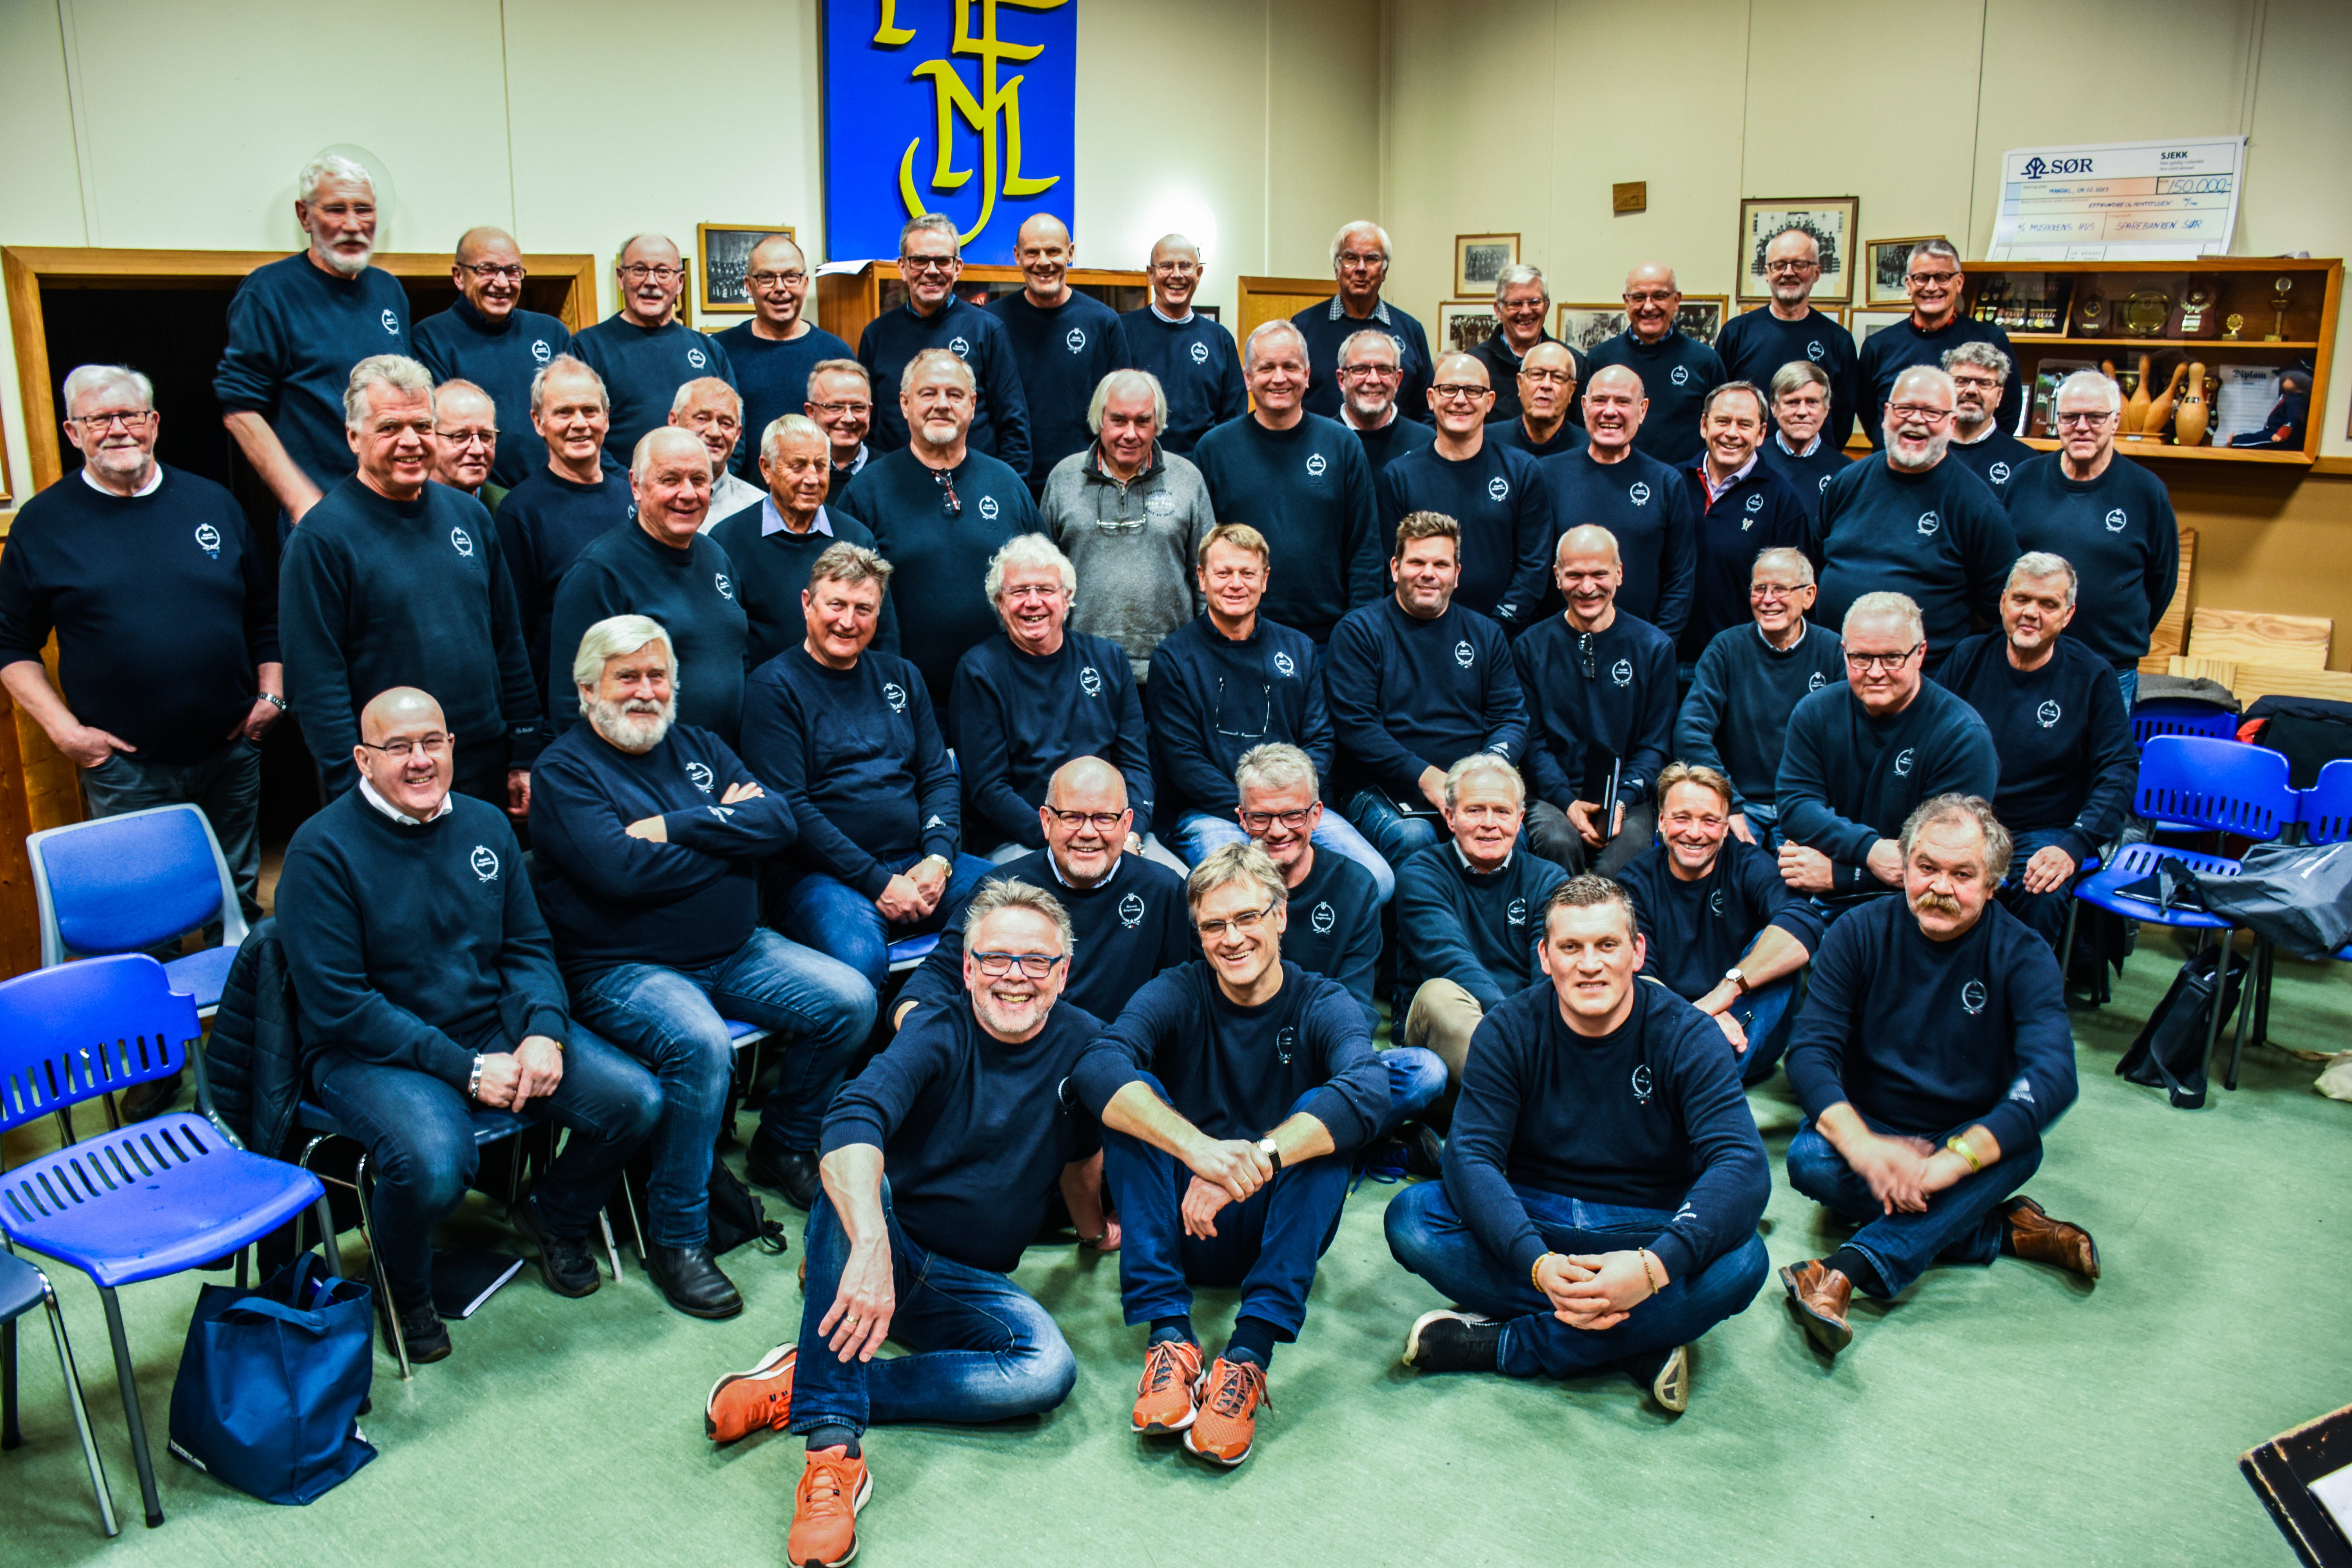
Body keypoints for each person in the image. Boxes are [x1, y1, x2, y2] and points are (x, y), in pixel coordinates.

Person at [277, 686, 658, 1364]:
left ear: (453, 746)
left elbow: (527, 948)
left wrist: (543, 1030)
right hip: (368, 1052)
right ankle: (403, 1288)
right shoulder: (320, 850)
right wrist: (467, 1070)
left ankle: (554, 1214)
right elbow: (342, 1004)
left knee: (634, 1101)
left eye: (433, 742)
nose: (420, 760)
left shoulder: (485, 825)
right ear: (364, 760)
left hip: (488, 1025)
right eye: (398, 747)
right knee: (434, 1164)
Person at [530, 616, 872, 1301]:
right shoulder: (564, 771)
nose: (646, 691)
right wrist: (728, 840)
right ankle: (677, 1236)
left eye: (658, 676)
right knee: (701, 1044)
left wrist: (672, 828)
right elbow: (620, 872)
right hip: (623, 967)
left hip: (737, 948)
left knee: (852, 1000)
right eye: (627, 677)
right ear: (588, 689)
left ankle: (784, 1142)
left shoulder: (701, 746)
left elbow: (778, 823)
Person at [762, 880, 1102, 1568]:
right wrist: (869, 1246)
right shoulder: (937, 1028)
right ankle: (832, 1448)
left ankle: (809, 1380)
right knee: (856, 1177)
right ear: (969, 968)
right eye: (996, 958)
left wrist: (1094, 1232)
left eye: (1036, 960)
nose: (1015, 975)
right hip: (885, 1252)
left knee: (1048, 1370)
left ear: (1063, 973)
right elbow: (853, 1118)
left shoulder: (1089, 1045)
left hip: (965, 1284)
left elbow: (1081, 1157)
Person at [1385, 876, 1770, 1413]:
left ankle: (1511, 1343)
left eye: (1607, 944)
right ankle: (1641, 1339)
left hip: (1643, 1227)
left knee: (1744, 1259)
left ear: (1637, 951)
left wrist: (1653, 1269)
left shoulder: (1688, 1035)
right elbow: (1471, 1157)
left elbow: (1742, 1164)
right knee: (1413, 1219)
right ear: (1546, 957)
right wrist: (1536, 1263)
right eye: (1571, 947)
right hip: (1534, 1215)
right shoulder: (1508, 1030)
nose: (1590, 964)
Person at [1074, 843, 1394, 1466]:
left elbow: (1369, 1088)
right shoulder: (1177, 990)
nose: (1233, 938)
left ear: (1281, 915)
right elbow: (1097, 1065)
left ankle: (1248, 1356)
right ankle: (1170, 1338)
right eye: (1214, 925)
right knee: (1133, 1097)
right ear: (1198, 933)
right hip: (1180, 1224)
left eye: (1248, 917)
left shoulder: (1322, 1001)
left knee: (1328, 1119)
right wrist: (1201, 1153)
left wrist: (1253, 1163)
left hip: (1276, 1230)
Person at [1779, 794, 2097, 1358]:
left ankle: (1843, 1270)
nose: (1940, 887)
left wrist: (1950, 1164)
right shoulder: (1856, 932)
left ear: (1993, 884)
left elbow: (2053, 1075)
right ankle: (2002, 1230)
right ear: (1905, 866)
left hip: (1962, 1137)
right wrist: (1865, 1148)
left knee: (2021, 1148)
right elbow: (1809, 1051)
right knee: (1810, 1161)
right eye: (1927, 867)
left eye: (1963, 875)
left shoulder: (2024, 955)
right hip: (1873, 1124)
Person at [0, 365, 281, 931]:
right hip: (125, 768)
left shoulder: (213, 503)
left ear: (153, 422)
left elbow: (267, 614)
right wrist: (67, 735)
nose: (118, 429)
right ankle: (160, 992)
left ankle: (241, 988)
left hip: (230, 753)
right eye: (98, 419)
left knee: (237, 905)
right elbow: (11, 646)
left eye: (130, 415)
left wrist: (271, 700)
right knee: (149, 919)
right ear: (72, 432)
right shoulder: (43, 525)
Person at [279, 356, 541, 807]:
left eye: (422, 426)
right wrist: (357, 794)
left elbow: (508, 644)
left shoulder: (471, 516)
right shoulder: (320, 540)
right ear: (353, 437)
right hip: (390, 779)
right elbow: (316, 687)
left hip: (485, 763)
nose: (410, 441)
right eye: (390, 427)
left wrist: (524, 752)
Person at [743, 542, 991, 1000]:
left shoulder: (902, 675)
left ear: (879, 614)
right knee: (860, 958)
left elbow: (938, 775)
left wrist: (938, 859)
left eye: (864, 609)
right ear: (807, 603)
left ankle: (950, 1031)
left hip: (916, 859)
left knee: (1017, 902)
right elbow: (792, 808)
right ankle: (885, 1045)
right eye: (836, 604)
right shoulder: (772, 688)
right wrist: (878, 883)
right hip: (819, 876)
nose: (848, 621)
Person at [1146, 526, 1390, 893]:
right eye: (1224, 573)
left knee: (1377, 880)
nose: (1236, 584)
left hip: (1296, 810)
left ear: (1265, 579)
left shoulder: (1299, 648)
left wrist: (1288, 810)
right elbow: (1184, 762)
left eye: (1248, 573)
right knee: (1243, 891)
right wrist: (1256, 813)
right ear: (1202, 578)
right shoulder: (1173, 658)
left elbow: (1320, 740)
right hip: (1212, 813)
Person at [1932, 555, 2136, 952]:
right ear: (2003, 602)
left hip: (2044, 829)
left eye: (2048, 604)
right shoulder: (1968, 657)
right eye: (2022, 599)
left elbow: (2120, 770)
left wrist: (2074, 845)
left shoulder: (2093, 676)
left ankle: (2020, 988)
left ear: (2068, 614)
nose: (2031, 613)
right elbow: (1929, 740)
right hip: (1966, 820)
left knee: (2042, 889)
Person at [894, 757, 1191, 1028]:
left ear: (1127, 824)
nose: (1088, 832)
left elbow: (1185, 997)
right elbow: (937, 976)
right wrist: (922, 1035)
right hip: (1020, 1058)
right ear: (1047, 821)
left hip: (1121, 1057)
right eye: (1072, 817)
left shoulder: (1163, 889)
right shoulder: (1001, 887)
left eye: (1104, 818)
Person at [216, 153, 411, 525]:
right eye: (336, 210)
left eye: (364, 210)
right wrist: (302, 502)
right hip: (325, 511)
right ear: (304, 216)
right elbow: (241, 411)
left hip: (397, 505)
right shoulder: (268, 292)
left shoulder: (389, 291)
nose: (353, 224)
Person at [1328, 513, 1528, 873]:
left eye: (1441, 564)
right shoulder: (1359, 631)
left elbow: (1511, 719)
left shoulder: (1486, 634)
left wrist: (1482, 776)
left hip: (1471, 790)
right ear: (1395, 568)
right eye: (1417, 563)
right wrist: (1427, 777)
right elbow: (1357, 727)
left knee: (1509, 834)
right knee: (1415, 839)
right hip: (1380, 789)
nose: (1428, 574)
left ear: (1457, 574)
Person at [842, 348, 1041, 710]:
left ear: (973, 405)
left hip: (1006, 696)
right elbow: (844, 603)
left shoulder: (1007, 484)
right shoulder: (866, 493)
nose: (942, 404)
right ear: (905, 404)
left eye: (954, 394)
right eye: (928, 393)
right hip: (902, 702)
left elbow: (1045, 586)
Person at [1776, 593, 1998, 910]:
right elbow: (1796, 806)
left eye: (1893, 658)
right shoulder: (1814, 712)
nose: (1876, 672)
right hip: (1814, 892)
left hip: (1916, 909)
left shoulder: (1962, 736)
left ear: (1920, 653)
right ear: (1844, 653)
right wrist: (1869, 850)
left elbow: (1945, 860)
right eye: (1861, 657)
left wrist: (1843, 876)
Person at [949, 535, 1160, 861]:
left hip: (1115, 837)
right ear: (999, 602)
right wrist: (1063, 840)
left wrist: (1130, 834)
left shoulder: (1109, 659)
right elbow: (988, 789)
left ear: (1067, 597)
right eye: (1019, 591)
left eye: (1046, 590)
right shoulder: (979, 671)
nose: (1033, 602)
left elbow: (1135, 766)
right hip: (1025, 840)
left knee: (1179, 885)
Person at [1615, 764, 1825, 1085]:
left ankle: (1700, 1080)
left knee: (1779, 942)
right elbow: (1640, 976)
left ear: (1727, 829)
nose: (1695, 832)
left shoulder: (1749, 864)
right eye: (1682, 818)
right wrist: (1697, 1018)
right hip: (1674, 1027)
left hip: (1747, 1031)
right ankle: (1705, 1079)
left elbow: (1804, 921)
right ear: (1661, 822)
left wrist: (1725, 993)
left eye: (1710, 821)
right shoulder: (1635, 880)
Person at [545, 427, 748, 743]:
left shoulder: (716, 556)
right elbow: (572, 701)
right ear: (636, 486)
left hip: (722, 759)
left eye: (698, 480)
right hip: (642, 767)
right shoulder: (599, 573)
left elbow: (738, 655)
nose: (688, 494)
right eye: (670, 480)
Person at [1811, 365, 2017, 669]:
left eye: (1932, 412)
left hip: (1924, 680)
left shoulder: (1976, 506)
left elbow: (1999, 607)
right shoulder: (1847, 482)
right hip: (1834, 670)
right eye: (1905, 408)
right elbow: (1816, 564)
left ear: (1952, 423)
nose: (1916, 420)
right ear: (1886, 415)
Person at [1191, 321, 1382, 644]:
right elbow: (1199, 552)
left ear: (1307, 375)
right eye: (1266, 368)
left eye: (1290, 367)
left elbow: (1365, 549)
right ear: (1248, 378)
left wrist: (1358, 632)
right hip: (1237, 634)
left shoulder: (1342, 446)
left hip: (1328, 637)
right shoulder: (1214, 449)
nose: (1279, 378)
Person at [2005, 369, 2180, 706]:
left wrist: (2120, 635)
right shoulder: (2024, 480)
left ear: (2115, 421)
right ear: (2057, 420)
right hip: (2027, 659)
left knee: (2105, 745)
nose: (2082, 427)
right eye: (2070, 417)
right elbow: (2002, 565)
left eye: (2095, 417)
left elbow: (2163, 581)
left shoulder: (2146, 492)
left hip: (2110, 668)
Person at [1394, 755, 1569, 1089]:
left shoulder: (1549, 879)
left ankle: (1524, 1093)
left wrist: (1534, 1037)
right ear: (1450, 817)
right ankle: (1534, 1094)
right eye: (1475, 810)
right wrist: (1518, 1036)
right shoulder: (1421, 874)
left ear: (1520, 819)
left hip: (1533, 1040)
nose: (1490, 823)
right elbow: (1451, 963)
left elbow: (1548, 970)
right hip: (1453, 1043)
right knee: (1439, 994)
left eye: (1502, 812)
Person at [1514, 526, 1676, 877]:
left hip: (1627, 795)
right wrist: (1567, 802)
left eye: (1599, 574)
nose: (1587, 588)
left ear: (1619, 573)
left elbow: (1655, 746)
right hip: (1552, 794)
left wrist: (1622, 801)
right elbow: (1533, 743)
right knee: (1558, 841)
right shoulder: (1529, 647)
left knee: (1624, 860)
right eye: (1575, 575)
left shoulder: (1654, 647)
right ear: (1557, 576)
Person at [1041, 368, 1214, 682]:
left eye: (1142, 421)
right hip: (1080, 667)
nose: (1130, 434)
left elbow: (1207, 578)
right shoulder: (1063, 479)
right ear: (1100, 421)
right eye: (1119, 420)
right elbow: (1042, 580)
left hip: (1172, 667)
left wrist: (1206, 654)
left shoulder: (1188, 479)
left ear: (1158, 423)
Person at [1675, 548, 1845, 850]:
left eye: (1780, 589)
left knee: (1806, 876)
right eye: (1759, 589)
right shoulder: (1726, 648)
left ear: (1809, 596)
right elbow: (1690, 732)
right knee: (1724, 866)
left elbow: (1847, 743)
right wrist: (1729, 801)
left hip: (1806, 803)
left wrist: (1816, 811)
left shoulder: (1833, 652)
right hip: (1740, 802)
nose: (1768, 600)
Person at [1377, 353, 1553, 629]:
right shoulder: (1399, 476)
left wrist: (1497, 628)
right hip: (1420, 632)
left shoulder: (1522, 471)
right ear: (1431, 399)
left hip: (1504, 634)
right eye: (1449, 389)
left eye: (1473, 390)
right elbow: (1392, 570)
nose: (1460, 400)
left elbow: (1534, 566)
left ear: (1490, 402)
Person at [492, 356, 634, 691]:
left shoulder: (634, 498)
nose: (579, 423)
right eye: (564, 413)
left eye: (590, 411)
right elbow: (515, 634)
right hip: (564, 701)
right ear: (538, 422)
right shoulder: (520, 513)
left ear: (607, 418)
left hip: (638, 690)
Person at [856, 214, 1031, 475]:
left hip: (972, 484)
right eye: (919, 260)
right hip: (897, 485)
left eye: (942, 261)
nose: (931, 270)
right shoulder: (877, 334)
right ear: (903, 267)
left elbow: (1014, 426)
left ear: (958, 267)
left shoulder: (987, 330)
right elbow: (867, 425)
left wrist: (1005, 489)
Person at [711, 414, 891, 668]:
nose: (812, 479)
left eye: (820, 466)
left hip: (844, 686)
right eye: (798, 466)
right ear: (766, 469)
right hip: (763, 689)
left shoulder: (856, 537)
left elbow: (883, 632)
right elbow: (723, 640)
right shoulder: (728, 539)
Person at [1534, 365, 1695, 641]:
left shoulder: (1666, 482)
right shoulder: (1546, 475)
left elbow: (1680, 578)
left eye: (1623, 402)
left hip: (1640, 649)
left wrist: (1658, 645)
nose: (1610, 411)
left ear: (1642, 410)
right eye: (1600, 400)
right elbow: (1531, 568)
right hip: (1558, 648)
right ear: (1584, 406)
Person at [1232, 744, 1387, 1024]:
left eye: (1293, 815)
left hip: (1325, 1037)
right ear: (1243, 818)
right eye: (1261, 817)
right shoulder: (1220, 891)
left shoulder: (1356, 887)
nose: (1277, 831)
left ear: (1316, 815)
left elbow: (1356, 1005)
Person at [413, 225, 574, 490]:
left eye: (513, 271)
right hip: (475, 494)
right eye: (487, 270)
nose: (502, 283)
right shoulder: (430, 338)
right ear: (459, 276)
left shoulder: (551, 332)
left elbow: (574, 412)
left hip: (554, 490)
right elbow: (440, 433)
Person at [571, 233, 738, 465]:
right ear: (621, 277)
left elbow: (735, 429)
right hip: (621, 485)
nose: (651, 282)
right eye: (639, 270)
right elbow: (582, 434)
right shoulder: (587, 348)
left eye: (663, 272)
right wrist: (630, 483)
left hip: (700, 486)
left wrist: (709, 481)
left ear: (680, 282)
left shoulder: (709, 349)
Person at [989, 214, 1126, 493]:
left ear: (1070, 253)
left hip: (1085, 484)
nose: (1043, 262)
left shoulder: (1103, 323)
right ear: (1017, 256)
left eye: (1053, 251)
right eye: (1032, 252)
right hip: (1008, 481)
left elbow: (1122, 411)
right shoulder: (991, 323)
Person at [1679, 380, 1811, 659]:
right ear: (1704, 425)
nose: (1732, 433)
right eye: (1723, 421)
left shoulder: (1782, 500)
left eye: (1744, 425)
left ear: (1761, 433)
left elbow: (1792, 595)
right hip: (1668, 653)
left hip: (1740, 661)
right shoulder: (1671, 482)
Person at [1856, 240, 2022, 448]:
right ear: (1908, 284)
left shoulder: (1991, 340)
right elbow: (1869, 414)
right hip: (1894, 461)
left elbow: (2008, 413)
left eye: (1942, 277)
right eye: (1922, 278)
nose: (1932, 287)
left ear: (1959, 283)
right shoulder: (1879, 346)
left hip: (1966, 464)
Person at [713, 233, 853, 475]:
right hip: (740, 492)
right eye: (767, 278)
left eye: (791, 277)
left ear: (805, 284)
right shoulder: (719, 350)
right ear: (749, 286)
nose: (780, 288)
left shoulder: (836, 353)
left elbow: (854, 431)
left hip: (816, 490)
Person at [1713, 227, 1859, 451]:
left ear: (1817, 272)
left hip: (1814, 465)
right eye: (1779, 265)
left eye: (1800, 264)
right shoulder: (1736, 333)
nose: (1789, 272)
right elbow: (1718, 403)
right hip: (1748, 461)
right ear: (1767, 273)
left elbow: (1843, 418)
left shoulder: (1839, 341)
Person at [1584, 263, 1724, 466]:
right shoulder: (1600, 359)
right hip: (1610, 476)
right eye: (1639, 298)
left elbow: (1718, 429)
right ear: (1626, 302)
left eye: (1659, 296)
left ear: (1676, 301)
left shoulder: (1705, 361)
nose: (1649, 307)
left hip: (1681, 481)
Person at [1118, 233, 1246, 456]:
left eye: (1186, 266)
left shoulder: (1220, 339)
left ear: (1199, 274)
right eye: (1167, 266)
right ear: (1150, 274)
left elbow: (1234, 419)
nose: (1177, 275)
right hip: (1136, 463)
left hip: (1202, 466)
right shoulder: (1121, 331)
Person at [1292, 220, 1434, 420]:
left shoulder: (1410, 330)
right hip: (1323, 441)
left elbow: (1428, 409)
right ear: (1337, 269)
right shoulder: (1303, 328)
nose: (1361, 268)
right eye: (1351, 258)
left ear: (1384, 271)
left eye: (1371, 259)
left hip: (1397, 441)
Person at [1470, 265, 1585, 428]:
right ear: (1498, 310)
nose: (1526, 311)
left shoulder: (1573, 363)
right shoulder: (1475, 363)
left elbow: (1581, 431)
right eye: (1516, 304)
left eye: (1534, 302)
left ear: (1547, 306)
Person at [1939, 343, 2036, 504]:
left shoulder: (2025, 462)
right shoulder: (1921, 448)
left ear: (2000, 396)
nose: (1971, 390)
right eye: (1961, 381)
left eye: (1984, 383)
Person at [1334, 329, 1436, 474]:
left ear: (1398, 380)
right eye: (1361, 369)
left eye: (1384, 370)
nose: (1373, 380)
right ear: (1342, 380)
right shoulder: (1320, 440)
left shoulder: (1426, 442)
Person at [1755, 361, 1850, 515]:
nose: (1802, 412)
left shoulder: (1846, 472)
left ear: (1827, 409)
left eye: (1812, 402)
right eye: (1792, 402)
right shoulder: (1750, 461)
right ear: (1774, 407)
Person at [669, 377, 765, 524]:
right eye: (702, 419)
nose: (714, 433)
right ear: (675, 421)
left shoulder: (760, 509)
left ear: (738, 434)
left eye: (726, 423)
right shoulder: (645, 495)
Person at [1486, 340, 1590, 461]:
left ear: (1572, 390)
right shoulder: (1488, 442)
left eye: (1558, 377)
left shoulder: (1590, 448)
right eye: (1537, 374)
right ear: (1520, 383)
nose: (1546, 385)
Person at [806, 358, 875, 499]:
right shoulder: (787, 473)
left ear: (869, 411)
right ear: (811, 412)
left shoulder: (892, 473)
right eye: (835, 407)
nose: (848, 419)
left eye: (858, 407)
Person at [426, 379, 499, 507]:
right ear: (429, 438)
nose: (478, 450)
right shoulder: (402, 507)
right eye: (460, 437)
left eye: (486, 437)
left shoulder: (510, 509)